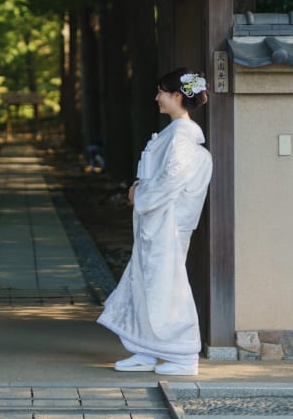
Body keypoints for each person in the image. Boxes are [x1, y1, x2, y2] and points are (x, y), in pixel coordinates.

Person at [97, 68, 213, 376]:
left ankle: (184, 354)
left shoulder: (181, 138)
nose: (157, 97)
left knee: (167, 286)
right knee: (148, 284)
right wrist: (141, 188)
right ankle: (146, 349)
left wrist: (142, 193)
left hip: (167, 225)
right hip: (158, 224)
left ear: (178, 96)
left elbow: (171, 180)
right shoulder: (176, 134)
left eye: (162, 91)